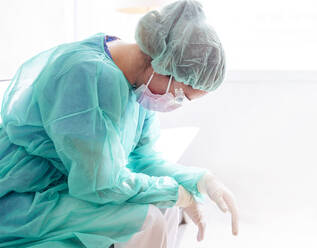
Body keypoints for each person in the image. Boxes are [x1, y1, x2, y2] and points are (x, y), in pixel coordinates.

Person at [0, 0, 238, 247]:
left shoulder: (138, 88)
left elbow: (142, 159)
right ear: (164, 66)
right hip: (21, 196)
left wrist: (200, 181)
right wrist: (175, 193)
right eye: (180, 95)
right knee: (147, 219)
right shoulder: (84, 75)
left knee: (164, 208)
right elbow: (99, 183)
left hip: (63, 188)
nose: (175, 104)